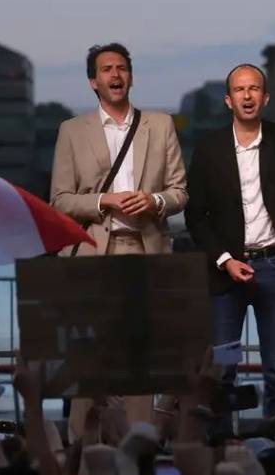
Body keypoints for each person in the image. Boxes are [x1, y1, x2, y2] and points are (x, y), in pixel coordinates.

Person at [50, 42, 188, 438]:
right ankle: (81, 451)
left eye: (122, 67)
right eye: (107, 69)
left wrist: (155, 199)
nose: (115, 74)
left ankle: (139, 449)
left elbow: (180, 191)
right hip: (93, 252)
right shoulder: (72, 131)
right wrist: (104, 201)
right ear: (93, 81)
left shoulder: (160, 125)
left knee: (141, 361)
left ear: (131, 75)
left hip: (146, 250)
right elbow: (59, 201)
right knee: (88, 362)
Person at [184, 63, 275, 417]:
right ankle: (220, 449)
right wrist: (224, 260)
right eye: (239, 90)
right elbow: (195, 215)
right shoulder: (209, 148)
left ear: (265, 98)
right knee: (224, 367)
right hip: (225, 274)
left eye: (254, 89)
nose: (247, 96)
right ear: (228, 100)